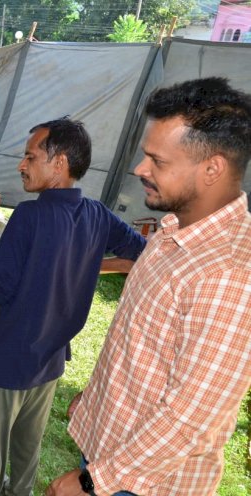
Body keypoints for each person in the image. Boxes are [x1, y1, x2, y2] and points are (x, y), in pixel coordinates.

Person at [45, 78, 251, 496]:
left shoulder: (229, 274)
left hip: (142, 483)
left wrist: (90, 483)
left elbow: (190, 418)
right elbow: (145, 342)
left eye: (157, 161)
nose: (141, 169)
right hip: (118, 454)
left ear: (212, 168)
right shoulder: (175, 229)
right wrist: (94, 400)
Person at [0, 118, 146, 496]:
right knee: (27, 450)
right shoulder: (98, 215)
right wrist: (97, 261)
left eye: (30, 156)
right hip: (50, 362)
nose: (21, 165)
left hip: (9, 363)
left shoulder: (28, 216)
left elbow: (0, 286)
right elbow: (141, 252)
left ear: (59, 164)